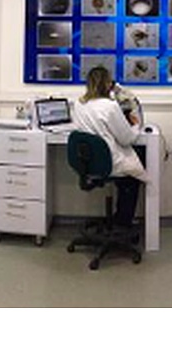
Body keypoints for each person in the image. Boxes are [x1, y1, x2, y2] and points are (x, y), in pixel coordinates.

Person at [71, 66, 148, 229]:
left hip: (88, 163)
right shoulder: (110, 106)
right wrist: (136, 126)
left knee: (129, 169)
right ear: (107, 84)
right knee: (134, 176)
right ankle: (123, 224)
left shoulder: (79, 104)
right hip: (108, 163)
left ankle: (117, 219)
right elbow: (127, 139)